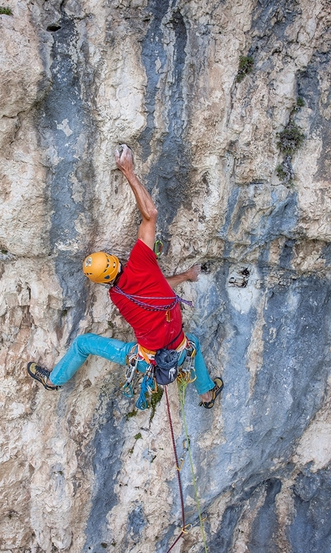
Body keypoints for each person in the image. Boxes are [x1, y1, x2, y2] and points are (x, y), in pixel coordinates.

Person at [27, 144, 223, 409]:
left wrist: (186, 276)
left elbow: (159, 292)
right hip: (178, 351)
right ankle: (206, 394)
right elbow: (150, 215)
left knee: (84, 343)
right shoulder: (142, 264)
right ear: (115, 261)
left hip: (146, 360)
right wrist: (128, 171)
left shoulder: (117, 296)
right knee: (194, 344)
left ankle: (53, 380)